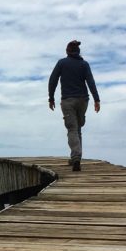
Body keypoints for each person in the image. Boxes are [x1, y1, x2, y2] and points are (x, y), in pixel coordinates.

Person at [48, 39, 100, 171]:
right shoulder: (84, 65)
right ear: (78, 52)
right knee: (77, 129)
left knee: (72, 129)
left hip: (68, 101)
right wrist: (96, 100)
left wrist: (51, 98)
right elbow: (91, 82)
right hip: (83, 101)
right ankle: (76, 158)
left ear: (67, 51)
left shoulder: (62, 63)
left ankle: (76, 157)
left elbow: (53, 80)